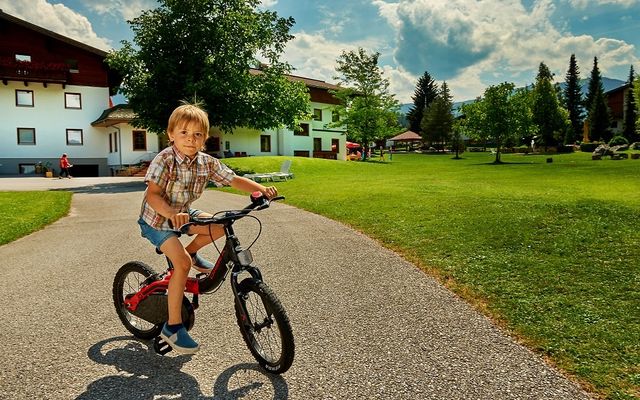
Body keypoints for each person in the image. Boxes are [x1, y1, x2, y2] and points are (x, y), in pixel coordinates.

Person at [138, 103, 277, 355]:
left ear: (205, 137)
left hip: (184, 212)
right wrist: (170, 213)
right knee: (180, 265)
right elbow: (153, 196)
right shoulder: (165, 160)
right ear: (170, 134)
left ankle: (191, 253)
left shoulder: (206, 162)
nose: (190, 139)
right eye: (184, 133)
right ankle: (172, 327)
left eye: (197, 134)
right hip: (157, 220)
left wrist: (261, 190)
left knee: (220, 225)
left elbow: (233, 179)